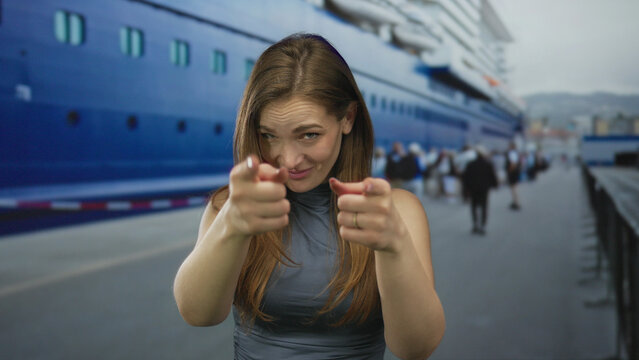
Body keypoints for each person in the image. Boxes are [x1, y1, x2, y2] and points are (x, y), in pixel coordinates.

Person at [172, 33, 445, 359]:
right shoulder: (232, 207)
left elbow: (416, 348)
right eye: (268, 136)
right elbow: (198, 314)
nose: (287, 160)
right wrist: (231, 224)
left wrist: (394, 245)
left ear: (347, 118)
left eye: (309, 135)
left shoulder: (397, 211)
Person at [462, 146, 498, 235]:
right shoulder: (488, 164)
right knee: (484, 206)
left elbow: (466, 178)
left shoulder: (470, 164)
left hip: (473, 189)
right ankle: (483, 226)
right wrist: (495, 185)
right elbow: (492, 176)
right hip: (484, 189)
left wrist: (466, 190)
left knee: (474, 206)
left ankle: (475, 225)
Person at [505, 141, 521, 210]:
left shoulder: (512, 153)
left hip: (512, 173)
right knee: (514, 188)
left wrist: (510, 171)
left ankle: (516, 203)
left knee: (513, 188)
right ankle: (515, 201)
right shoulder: (515, 153)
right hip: (515, 172)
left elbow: (513, 164)